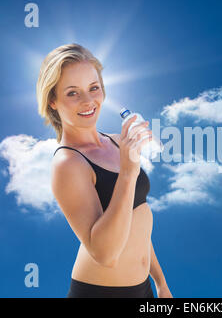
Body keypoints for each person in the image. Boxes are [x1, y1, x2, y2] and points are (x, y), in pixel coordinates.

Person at [37, 43, 172, 298]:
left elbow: (135, 223)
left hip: (144, 289)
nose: (88, 101)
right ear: (52, 100)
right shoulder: (68, 164)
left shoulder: (117, 142)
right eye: (72, 93)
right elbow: (105, 254)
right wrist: (129, 172)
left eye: (93, 88)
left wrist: (161, 282)